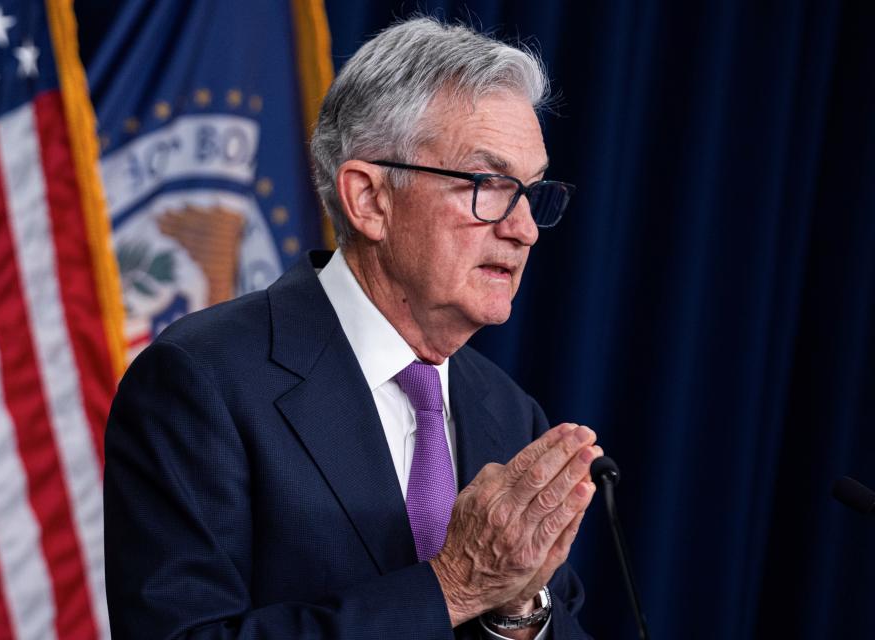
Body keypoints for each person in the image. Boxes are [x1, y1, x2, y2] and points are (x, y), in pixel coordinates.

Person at [105, 16, 601, 639]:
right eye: (489, 186)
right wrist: (452, 587)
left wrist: (517, 615)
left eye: (531, 193)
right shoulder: (202, 382)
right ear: (370, 199)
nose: (523, 228)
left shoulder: (509, 413)